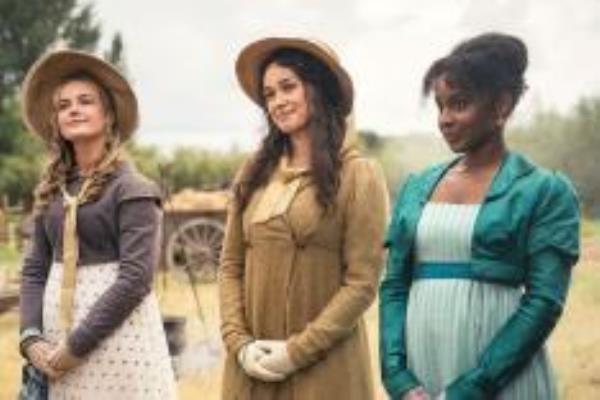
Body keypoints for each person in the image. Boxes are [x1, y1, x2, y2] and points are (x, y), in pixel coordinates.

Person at [379, 32, 581, 400]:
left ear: (501, 105)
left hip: (500, 380)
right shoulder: (416, 187)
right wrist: (397, 378)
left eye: (459, 104)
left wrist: (472, 388)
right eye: (440, 106)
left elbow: (544, 302)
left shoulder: (543, 191)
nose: (444, 119)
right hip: (422, 376)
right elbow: (393, 285)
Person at [219, 37, 389, 400]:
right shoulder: (253, 172)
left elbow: (362, 283)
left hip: (323, 370)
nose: (278, 102)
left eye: (288, 87)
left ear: (318, 88)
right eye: (269, 94)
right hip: (252, 367)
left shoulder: (359, 175)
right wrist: (240, 343)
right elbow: (231, 265)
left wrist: (295, 353)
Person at [18, 50, 177, 399]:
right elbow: (33, 270)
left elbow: (135, 280)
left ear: (107, 116)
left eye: (85, 101)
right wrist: (30, 336)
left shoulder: (132, 189)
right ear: (56, 121)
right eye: (63, 105)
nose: (73, 109)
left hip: (119, 343)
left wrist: (78, 345)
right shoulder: (51, 192)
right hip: (54, 342)